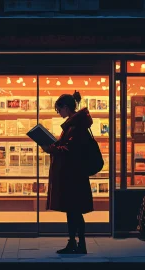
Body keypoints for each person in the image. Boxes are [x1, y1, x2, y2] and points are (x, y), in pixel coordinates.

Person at [41, 90, 94, 254]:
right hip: (74, 175)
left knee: (74, 211)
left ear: (65, 107)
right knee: (73, 211)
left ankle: (79, 244)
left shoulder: (75, 126)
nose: (59, 113)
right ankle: (75, 242)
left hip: (73, 176)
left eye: (59, 109)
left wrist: (52, 149)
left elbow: (70, 151)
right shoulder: (75, 125)